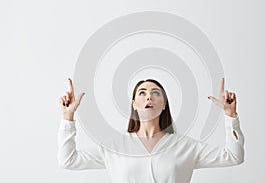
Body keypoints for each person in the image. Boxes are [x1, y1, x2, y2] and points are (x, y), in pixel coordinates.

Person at [58, 78, 244, 183]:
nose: (149, 97)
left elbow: (234, 156)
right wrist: (68, 118)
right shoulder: (114, 147)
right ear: (134, 104)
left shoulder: (185, 146)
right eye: (142, 93)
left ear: (163, 105)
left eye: (156, 93)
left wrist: (230, 115)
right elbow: (68, 161)